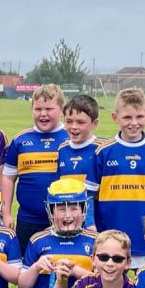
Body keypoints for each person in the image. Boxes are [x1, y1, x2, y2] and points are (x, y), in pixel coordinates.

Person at [88, 88, 145, 268]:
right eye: (127, 117)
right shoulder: (103, 151)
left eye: (139, 117)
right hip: (110, 236)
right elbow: (89, 195)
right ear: (115, 117)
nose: (134, 123)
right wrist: (90, 225)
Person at [1, 85, 68, 245]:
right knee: (26, 267)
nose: (43, 114)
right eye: (38, 109)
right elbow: (8, 178)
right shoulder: (20, 140)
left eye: (49, 109)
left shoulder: (71, 138)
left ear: (62, 110)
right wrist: (6, 214)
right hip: (28, 220)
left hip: (65, 220)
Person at [56, 94, 102, 229]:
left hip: (97, 222)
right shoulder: (62, 149)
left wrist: (90, 222)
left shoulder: (102, 149)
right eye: (69, 121)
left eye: (80, 122)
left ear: (94, 124)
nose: (74, 127)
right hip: (69, 221)